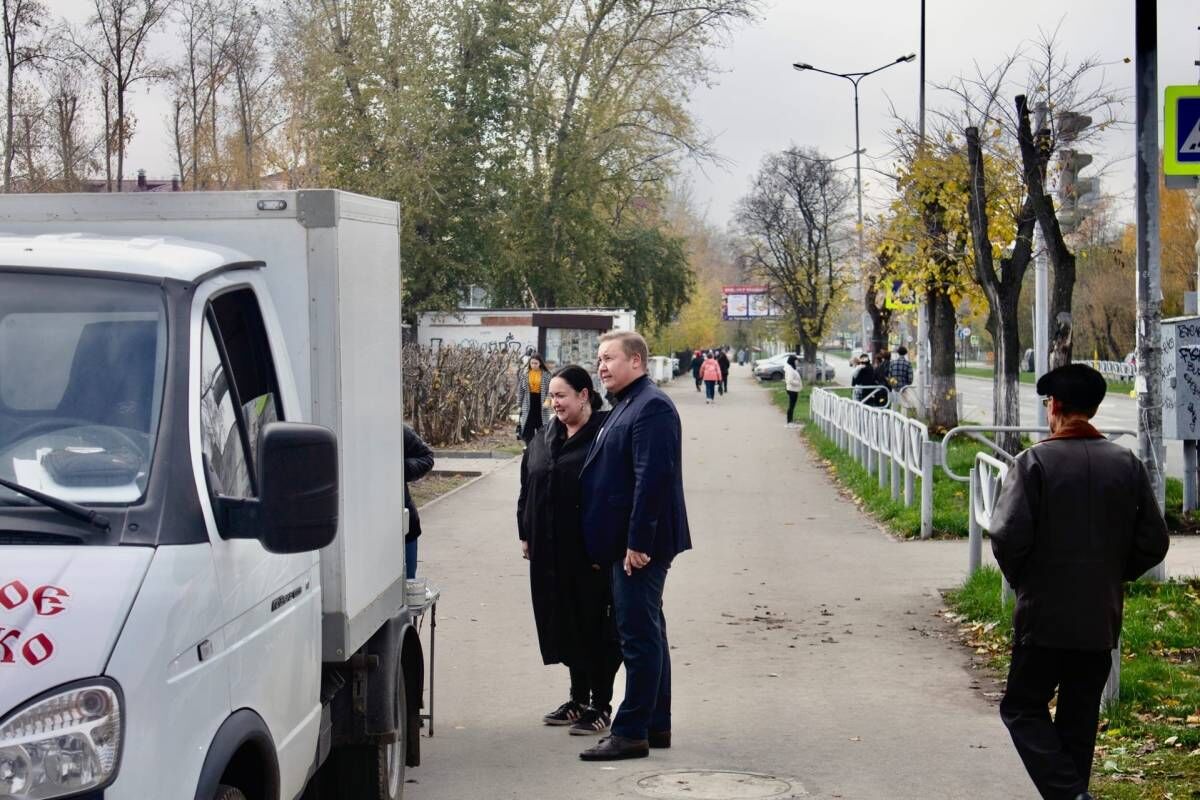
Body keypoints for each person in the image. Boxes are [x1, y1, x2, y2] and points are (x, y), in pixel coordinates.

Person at [989, 364, 1169, 800]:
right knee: (1079, 717)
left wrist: (1027, 580)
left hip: (1044, 616)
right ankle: (1074, 792)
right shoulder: (1125, 464)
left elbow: (1007, 536)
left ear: (1055, 407)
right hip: (1099, 616)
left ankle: (1072, 796)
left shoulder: (1034, 462)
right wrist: (1112, 572)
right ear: (1095, 408)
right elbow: (1155, 541)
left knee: (1022, 706)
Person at [577, 331, 691, 761]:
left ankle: (629, 732)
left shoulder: (652, 406)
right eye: (599, 359)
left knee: (637, 637)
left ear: (637, 362)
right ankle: (654, 724)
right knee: (649, 632)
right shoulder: (628, 403)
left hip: (641, 545)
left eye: (609, 358)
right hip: (629, 542)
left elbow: (653, 478)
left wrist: (638, 542)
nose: (601, 366)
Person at [517, 365, 623, 737]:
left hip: (590, 555)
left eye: (561, 395)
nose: (554, 403)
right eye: (551, 396)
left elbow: (616, 493)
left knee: (597, 629)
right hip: (549, 553)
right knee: (565, 625)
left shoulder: (604, 435)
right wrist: (525, 532)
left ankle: (601, 705)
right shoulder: (545, 436)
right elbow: (527, 485)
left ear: (584, 395)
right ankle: (578, 698)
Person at [402, 424, 436, 579]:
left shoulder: (398, 430)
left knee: (407, 585)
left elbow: (426, 457)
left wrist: (402, 468)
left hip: (404, 525)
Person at [517, 353, 551, 443]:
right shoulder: (525, 374)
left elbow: (550, 390)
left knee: (542, 426)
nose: (534, 365)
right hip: (528, 403)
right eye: (532, 363)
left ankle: (541, 448)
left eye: (536, 363)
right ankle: (529, 447)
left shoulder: (547, 375)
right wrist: (519, 405)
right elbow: (520, 390)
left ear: (540, 363)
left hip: (541, 403)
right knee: (528, 426)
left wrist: (548, 401)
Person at [783, 355, 803, 428]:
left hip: (792, 389)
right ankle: (789, 422)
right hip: (792, 390)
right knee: (791, 406)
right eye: (796, 360)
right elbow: (790, 380)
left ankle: (790, 421)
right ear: (793, 361)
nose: (797, 362)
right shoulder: (790, 370)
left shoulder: (791, 368)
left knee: (792, 406)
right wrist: (798, 383)